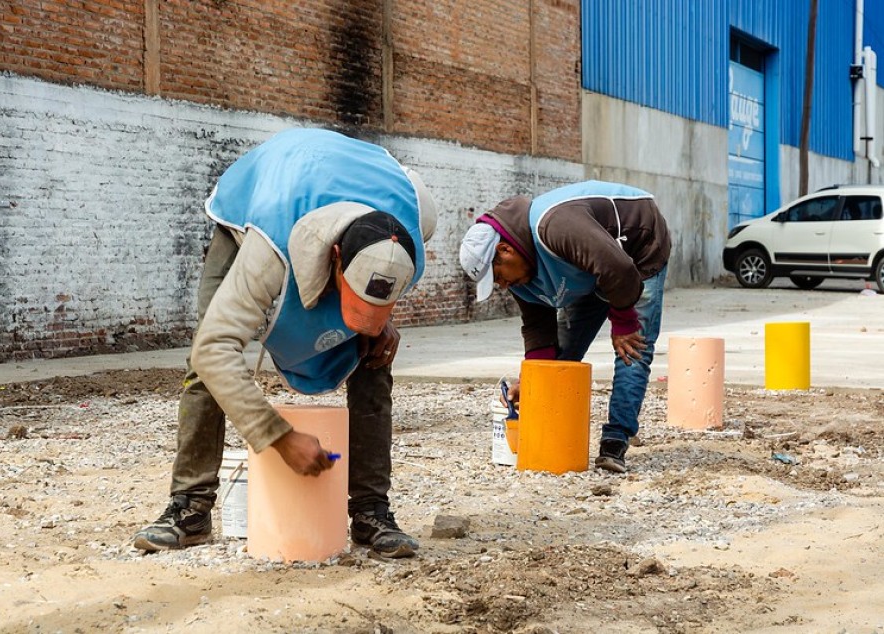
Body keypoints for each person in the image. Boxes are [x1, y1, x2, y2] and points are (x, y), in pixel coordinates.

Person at [133, 127, 438, 558]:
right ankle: (189, 507)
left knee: (375, 353)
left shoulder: (414, 224)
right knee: (205, 357)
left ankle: (371, 511)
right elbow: (215, 348)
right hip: (257, 200)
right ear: (336, 258)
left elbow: (382, 267)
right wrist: (278, 437)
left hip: (339, 181)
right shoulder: (269, 243)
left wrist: (378, 321)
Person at [458, 180, 671, 473]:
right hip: (594, 266)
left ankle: (615, 439)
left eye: (498, 277)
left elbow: (619, 269)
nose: (502, 285)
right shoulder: (520, 276)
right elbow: (538, 330)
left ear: (505, 250)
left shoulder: (556, 227)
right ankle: (551, 435)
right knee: (563, 354)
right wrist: (532, 381)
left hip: (638, 247)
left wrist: (623, 322)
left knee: (632, 346)